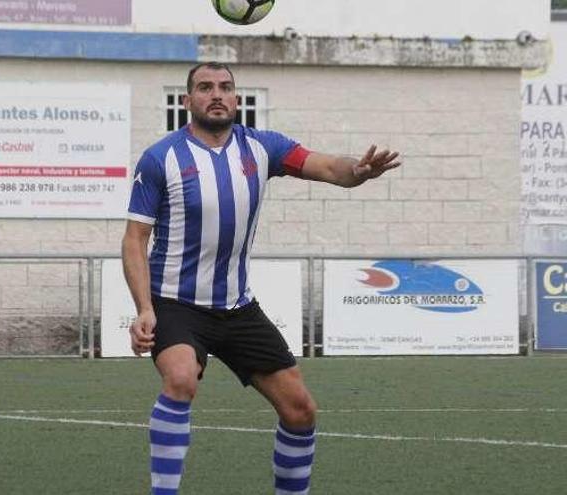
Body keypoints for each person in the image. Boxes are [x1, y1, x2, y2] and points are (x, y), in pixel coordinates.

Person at [122, 62, 401, 495]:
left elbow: (328, 167)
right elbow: (135, 238)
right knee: (180, 378)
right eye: (205, 87)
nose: (216, 94)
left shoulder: (262, 148)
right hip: (176, 302)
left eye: (226, 87)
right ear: (187, 101)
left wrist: (359, 171)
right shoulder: (161, 158)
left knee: (300, 410)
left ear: (236, 99)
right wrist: (144, 307)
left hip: (238, 307)